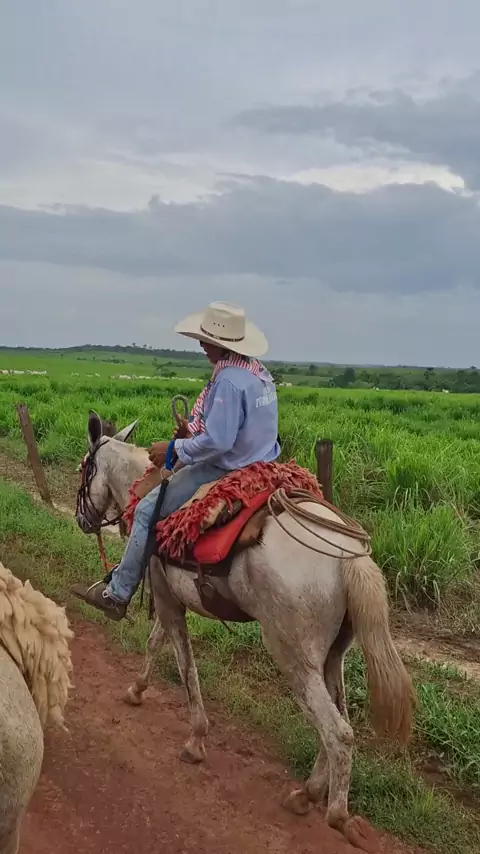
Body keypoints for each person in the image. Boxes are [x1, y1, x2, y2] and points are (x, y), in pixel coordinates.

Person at [71, 301, 280, 621]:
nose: (201, 345)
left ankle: (118, 594)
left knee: (144, 512)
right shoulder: (258, 373)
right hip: (264, 464)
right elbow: (236, 427)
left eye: (206, 340)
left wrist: (175, 447)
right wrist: (191, 432)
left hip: (228, 467)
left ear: (222, 343)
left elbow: (220, 443)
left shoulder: (227, 380)